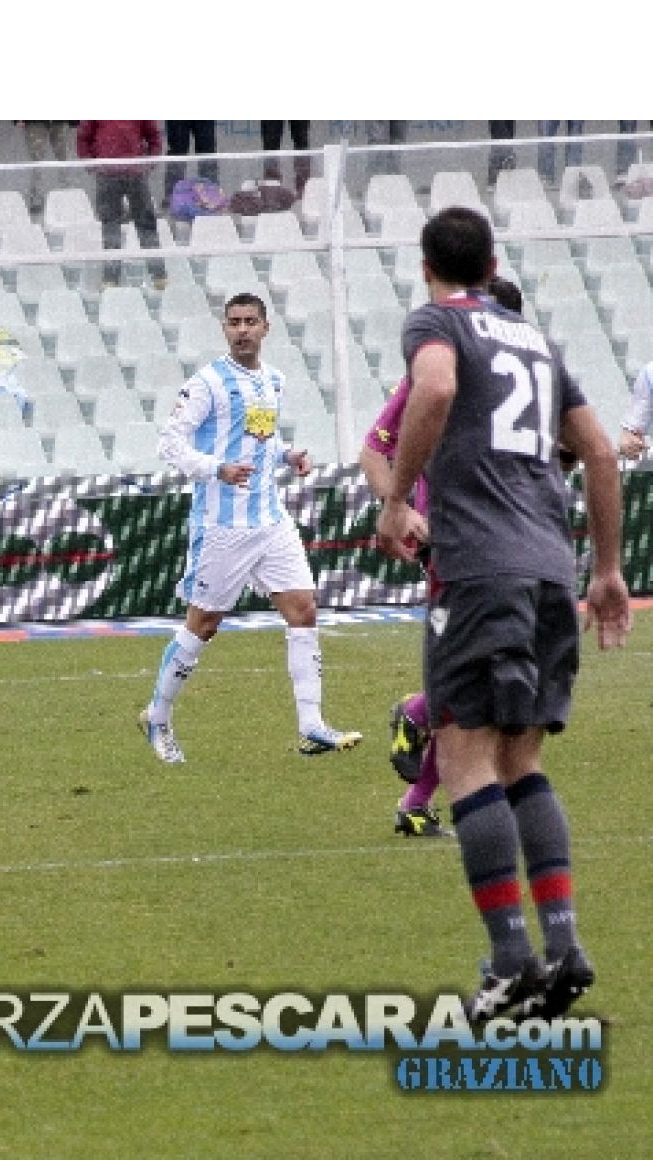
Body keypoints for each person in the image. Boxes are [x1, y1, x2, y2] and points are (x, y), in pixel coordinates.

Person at [376, 207, 630, 1023]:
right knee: (523, 761)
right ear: (493, 266)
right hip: (552, 569)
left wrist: (395, 500)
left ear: (427, 267)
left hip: (480, 569)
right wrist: (609, 570)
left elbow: (437, 386)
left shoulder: (436, 323)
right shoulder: (536, 341)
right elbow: (600, 452)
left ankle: (512, 962)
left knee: (465, 760)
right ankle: (564, 949)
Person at [140, 293, 362, 764]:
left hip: (270, 519)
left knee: (303, 609)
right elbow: (169, 444)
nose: (242, 329)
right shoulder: (207, 383)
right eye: (234, 322)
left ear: (266, 327)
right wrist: (215, 469)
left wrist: (287, 454)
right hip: (223, 525)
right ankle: (157, 716)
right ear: (225, 328)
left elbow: (260, 437)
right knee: (203, 625)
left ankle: (311, 725)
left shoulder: (273, 380)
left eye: (250, 322)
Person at [359, 277, 528, 840]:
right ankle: (417, 720)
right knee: (483, 674)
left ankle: (416, 798)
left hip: (509, 539)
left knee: (488, 675)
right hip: (455, 542)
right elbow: (374, 447)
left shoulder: (524, 378)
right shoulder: (433, 377)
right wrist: (400, 507)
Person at [76, 120, 166, 288]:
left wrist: (148, 164)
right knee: (110, 227)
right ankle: (111, 278)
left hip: (136, 176)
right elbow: (83, 138)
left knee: (146, 224)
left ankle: (158, 275)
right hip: (107, 177)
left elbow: (154, 136)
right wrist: (93, 166)